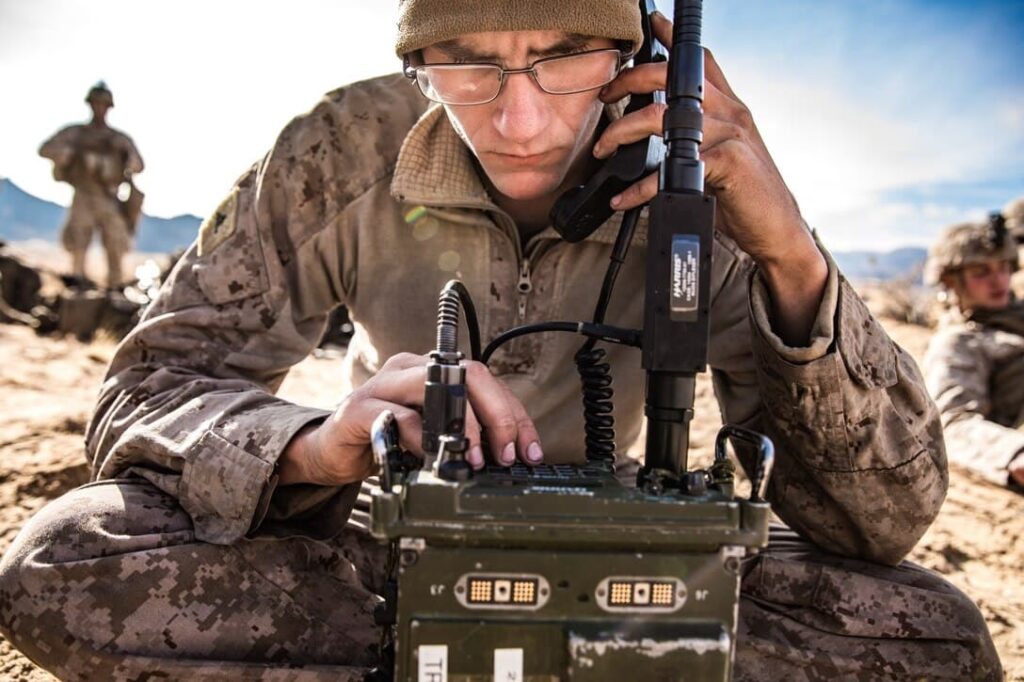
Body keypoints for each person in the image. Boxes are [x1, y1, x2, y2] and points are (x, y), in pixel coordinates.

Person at [0, 3, 1000, 679]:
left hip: (647, 566)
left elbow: (880, 521)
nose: (519, 120)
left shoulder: (706, 175)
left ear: (636, 59)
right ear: (417, 60)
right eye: (468, 62)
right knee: (62, 563)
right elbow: (151, 387)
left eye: (565, 54)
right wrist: (314, 443)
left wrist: (789, 257)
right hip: (389, 543)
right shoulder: (338, 149)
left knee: (937, 638)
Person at [923, 213, 1024, 492]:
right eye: (981, 272)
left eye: (1004, 267)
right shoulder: (957, 343)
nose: (998, 281)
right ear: (951, 281)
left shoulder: (1016, 319)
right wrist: (1014, 453)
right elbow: (953, 423)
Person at [38, 81, 144, 289]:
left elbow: (139, 164)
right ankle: (77, 284)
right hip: (83, 195)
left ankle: (115, 286)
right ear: (90, 105)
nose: (99, 108)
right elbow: (45, 149)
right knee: (78, 242)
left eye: (103, 105)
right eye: (96, 104)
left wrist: (129, 161)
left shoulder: (118, 139)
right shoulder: (76, 134)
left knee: (116, 243)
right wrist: (65, 154)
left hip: (109, 197)